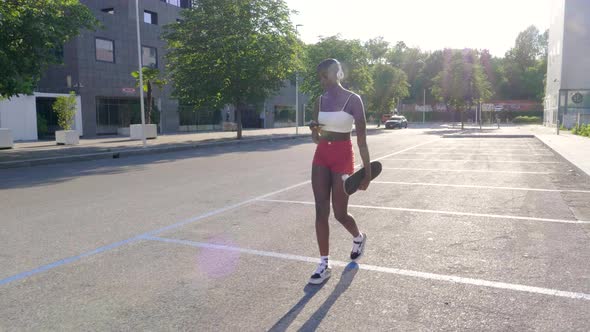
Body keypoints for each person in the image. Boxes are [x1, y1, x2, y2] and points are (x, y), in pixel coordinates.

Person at [308, 59, 371, 285]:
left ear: (337, 74)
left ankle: (358, 237)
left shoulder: (354, 100)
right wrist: (314, 130)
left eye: (325, 75)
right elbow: (316, 137)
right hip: (322, 155)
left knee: (340, 213)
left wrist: (367, 171)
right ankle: (324, 264)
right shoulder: (320, 100)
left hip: (344, 155)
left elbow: (362, 140)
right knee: (320, 210)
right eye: (320, 77)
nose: (322, 80)